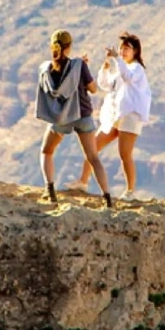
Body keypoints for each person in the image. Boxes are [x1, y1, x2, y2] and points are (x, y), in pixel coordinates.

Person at [34, 29, 114, 209]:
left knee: (47, 151)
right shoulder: (79, 65)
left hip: (61, 117)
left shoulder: (45, 68)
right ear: (69, 47)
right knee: (93, 157)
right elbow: (93, 89)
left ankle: (50, 191)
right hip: (82, 115)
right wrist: (82, 68)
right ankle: (107, 197)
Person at [69, 32, 152, 200]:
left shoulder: (137, 69)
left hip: (131, 116)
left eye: (127, 48)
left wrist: (117, 60)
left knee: (124, 154)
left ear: (135, 51)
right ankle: (83, 182)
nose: (123, 51)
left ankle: (130, 191)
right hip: (116, 116)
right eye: (121, 48)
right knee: (93, 146)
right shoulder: (120, 67)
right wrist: (106, 65)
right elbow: (105, 84)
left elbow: (127, 77)